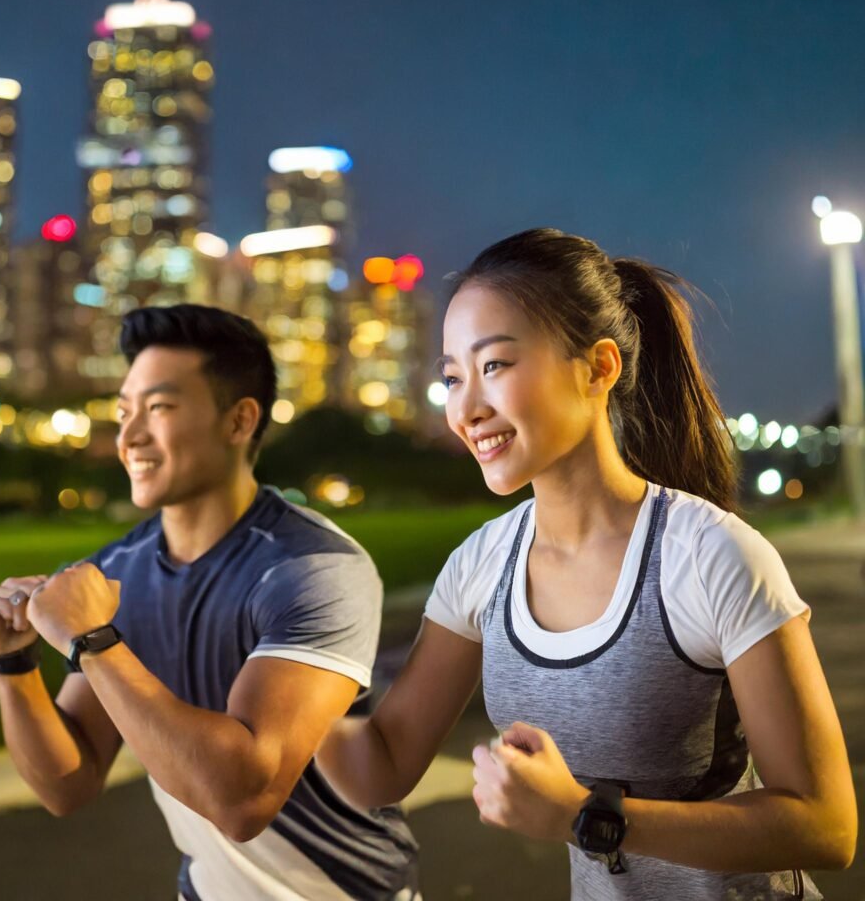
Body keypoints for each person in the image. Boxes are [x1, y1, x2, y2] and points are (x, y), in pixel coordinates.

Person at [317, 228, 857, 899]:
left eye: (495, 366)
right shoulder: (480, 566)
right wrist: (270, 675)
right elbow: (386, 763)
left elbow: (826, 825)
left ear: (599, 368)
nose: (467, 407)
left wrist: (586, 816)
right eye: (453, 376)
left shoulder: (708, 555)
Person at [0, 304, 419, 901]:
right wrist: (13, 666)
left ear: (239, 421)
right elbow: (70, 782)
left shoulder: (311, 568)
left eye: (159, 408)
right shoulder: (117, 573)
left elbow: (245, 801)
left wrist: (94, 642)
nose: (130, 436)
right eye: (125, 410)